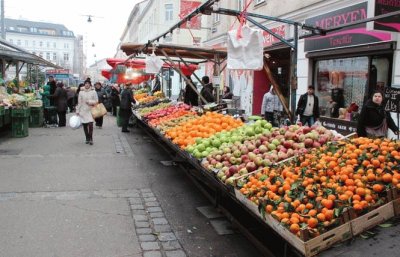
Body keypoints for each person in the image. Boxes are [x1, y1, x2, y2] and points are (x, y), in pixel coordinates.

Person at [76, 79, 98, 145]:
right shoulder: (81, 92)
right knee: (85, 125)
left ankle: (91, 139)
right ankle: (87, 138)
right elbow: (79, 102)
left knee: (91, 124)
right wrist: (77, 110)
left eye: (88, 83)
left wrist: (90, 102)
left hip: (90, 110)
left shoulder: (93, 91)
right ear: (84, 84)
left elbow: (96, 101)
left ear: (90, 84)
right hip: (83, 111)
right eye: (86, 83)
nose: (87, 84)